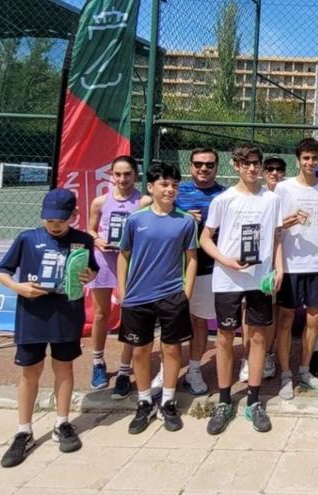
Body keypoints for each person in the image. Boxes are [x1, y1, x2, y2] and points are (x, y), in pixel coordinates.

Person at [0, 189, 98, 467]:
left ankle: (62, 423)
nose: (54, 224)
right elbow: (2, 271)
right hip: (32, 315)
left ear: (74, 216)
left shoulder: (83, 240)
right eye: (49, 218)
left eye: (61, 219)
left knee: (64, 367)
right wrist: (18, 287)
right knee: (30, 371)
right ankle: (24, 431)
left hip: (66, 313)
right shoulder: (28, 238)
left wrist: (88, 276)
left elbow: (92, 271)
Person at [200, 144, 283, 434]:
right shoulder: (224, 200)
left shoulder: (272, 200)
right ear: (236, 166)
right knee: (225, 337)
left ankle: (254, 400)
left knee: (258, 337)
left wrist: (279, 268)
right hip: (227, 279)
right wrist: (227, 261)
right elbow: (206, 238)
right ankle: (224, 400)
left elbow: (276, 236)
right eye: (246, 164)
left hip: (259, 278)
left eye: (256, 163)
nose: (252, 168)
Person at [117, 163, 198, 435]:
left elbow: (191, 259)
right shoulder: (135, 220)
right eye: (164, 184)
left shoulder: (186, 221)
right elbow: (123, 255)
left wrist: (185, 293)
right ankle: (144, 401)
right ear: (151, 188)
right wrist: (122, 290)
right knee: (140, 350)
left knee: (172, 349)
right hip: (137, 297)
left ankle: (168, 400)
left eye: (174, 184)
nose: (170, 189)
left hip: (172, 295)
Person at [275, 138, 318, 398]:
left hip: (317, 263)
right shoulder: (283, 188)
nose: (310, 162)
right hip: (291, 265)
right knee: (285, 321)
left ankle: (304, 370)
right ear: (298, 160)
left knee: (315, 319)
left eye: (314, 158)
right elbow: (274, 226)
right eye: (306, 158)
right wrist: (287, 222)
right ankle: (285, 374)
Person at [86, 155, 151, 397]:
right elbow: (91, 229)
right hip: (103, 261)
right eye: (118, 174)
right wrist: (98, 240)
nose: (123, 179)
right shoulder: (100, 202)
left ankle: (124, 371)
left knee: (129, 318)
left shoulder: (144, 201)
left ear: (136, 175)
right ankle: (98, 363)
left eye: (127, 174)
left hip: (131, 263)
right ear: (111, 175)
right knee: (101, 314)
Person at [174, 147, 226, 396]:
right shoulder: (174, 192)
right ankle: (169, 370)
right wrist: (183, 217)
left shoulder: (225, 196)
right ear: (190, 165)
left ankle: (194, 369)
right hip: (173, 269)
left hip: (206, 268)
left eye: (209, 164)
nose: (203, 168)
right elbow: (159, 217)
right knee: (170, 322)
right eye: (198, 164)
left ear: (217, 167)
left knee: (199, 321)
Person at [260, 155, 287, 375]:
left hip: (281, 260)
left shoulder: (287, 194)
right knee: (249, 312)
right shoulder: (256, 195)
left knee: (274, 311)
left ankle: (268, 355)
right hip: (255, 262)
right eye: (269, 169)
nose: (274, 173)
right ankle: (248, 359)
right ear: (262, 172)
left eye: (279, 169)